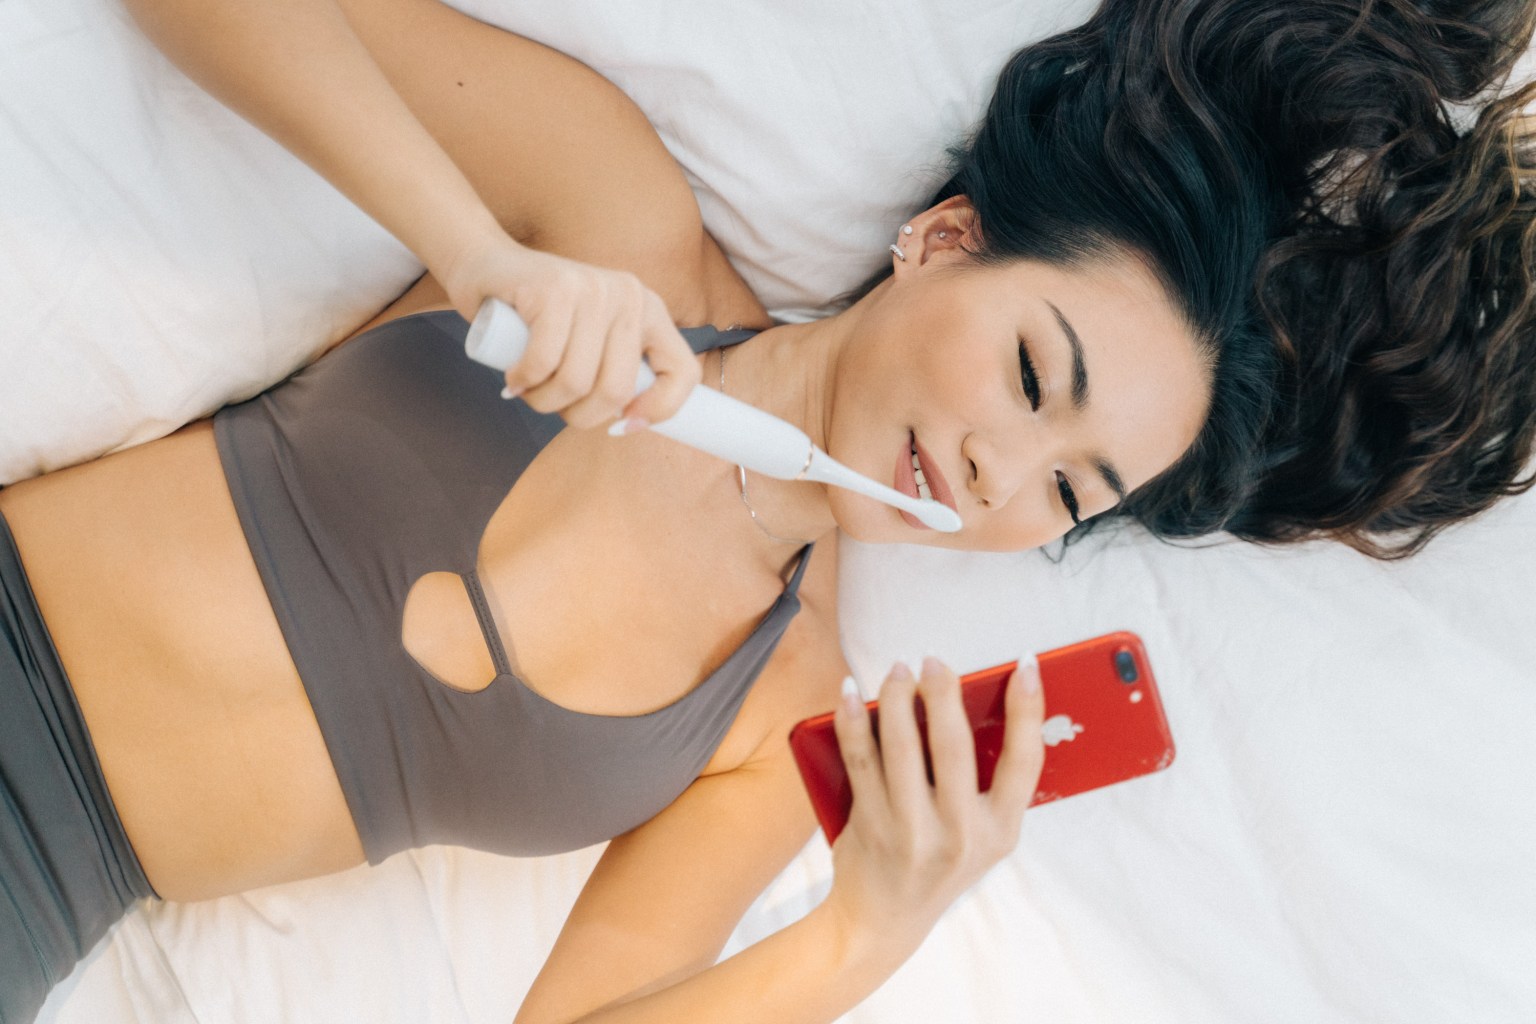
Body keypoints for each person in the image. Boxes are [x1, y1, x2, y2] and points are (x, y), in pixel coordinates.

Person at [2, 0, 1531, 1021]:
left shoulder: (778, 712)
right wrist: (475, 252)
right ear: (943, 243)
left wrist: (864, 928)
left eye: (1071, 488)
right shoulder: (612, 216)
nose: (1003, 469)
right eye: (1030, 373)